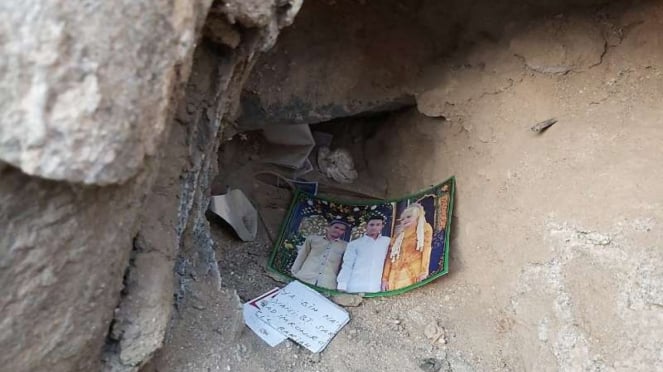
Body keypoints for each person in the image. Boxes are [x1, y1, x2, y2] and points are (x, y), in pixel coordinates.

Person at [381, 203, 433, 291]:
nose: (405, 220)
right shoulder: (397, 236)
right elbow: (389, 258)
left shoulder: (425, 228)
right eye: (402, 219)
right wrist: (384, 279)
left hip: (413, 272)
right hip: (394, 277)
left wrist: (424, 272)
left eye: (409, 217)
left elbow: (426, 250)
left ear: (417, 217)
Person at [336, 215, 391, 293]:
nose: (374, 227)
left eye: (378, 225)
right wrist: (342, 285)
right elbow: (347, 265)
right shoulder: (354, 244)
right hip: (355, 287)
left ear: (382, 226)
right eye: (372, 225)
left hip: (376, 288)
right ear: (366, 226)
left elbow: (390, 261)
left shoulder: (387, 242)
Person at [290, 219, 348, 289]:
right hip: (305, 278)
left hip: (327, 284)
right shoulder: (312, 239)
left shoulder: (345, 246)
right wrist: (294, 273)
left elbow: (343, 266)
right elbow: (302, 256)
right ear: (328, 227)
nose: (338, 231)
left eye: (342, 229)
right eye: (336, 227)